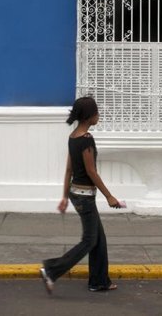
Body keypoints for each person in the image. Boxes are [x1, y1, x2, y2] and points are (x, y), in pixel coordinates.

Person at [40, 97, 124, 294]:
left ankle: (99, 281)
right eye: (96, 112)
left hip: (76, 193)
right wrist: (110, 196)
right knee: (89, 241)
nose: (99, 115)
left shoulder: (73, 137)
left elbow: (69, 169)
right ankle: (51, 270)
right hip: (85, 197)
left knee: (99, 239)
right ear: (89, 116)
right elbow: (92, 172)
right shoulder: (86, 139)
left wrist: (64, 197)